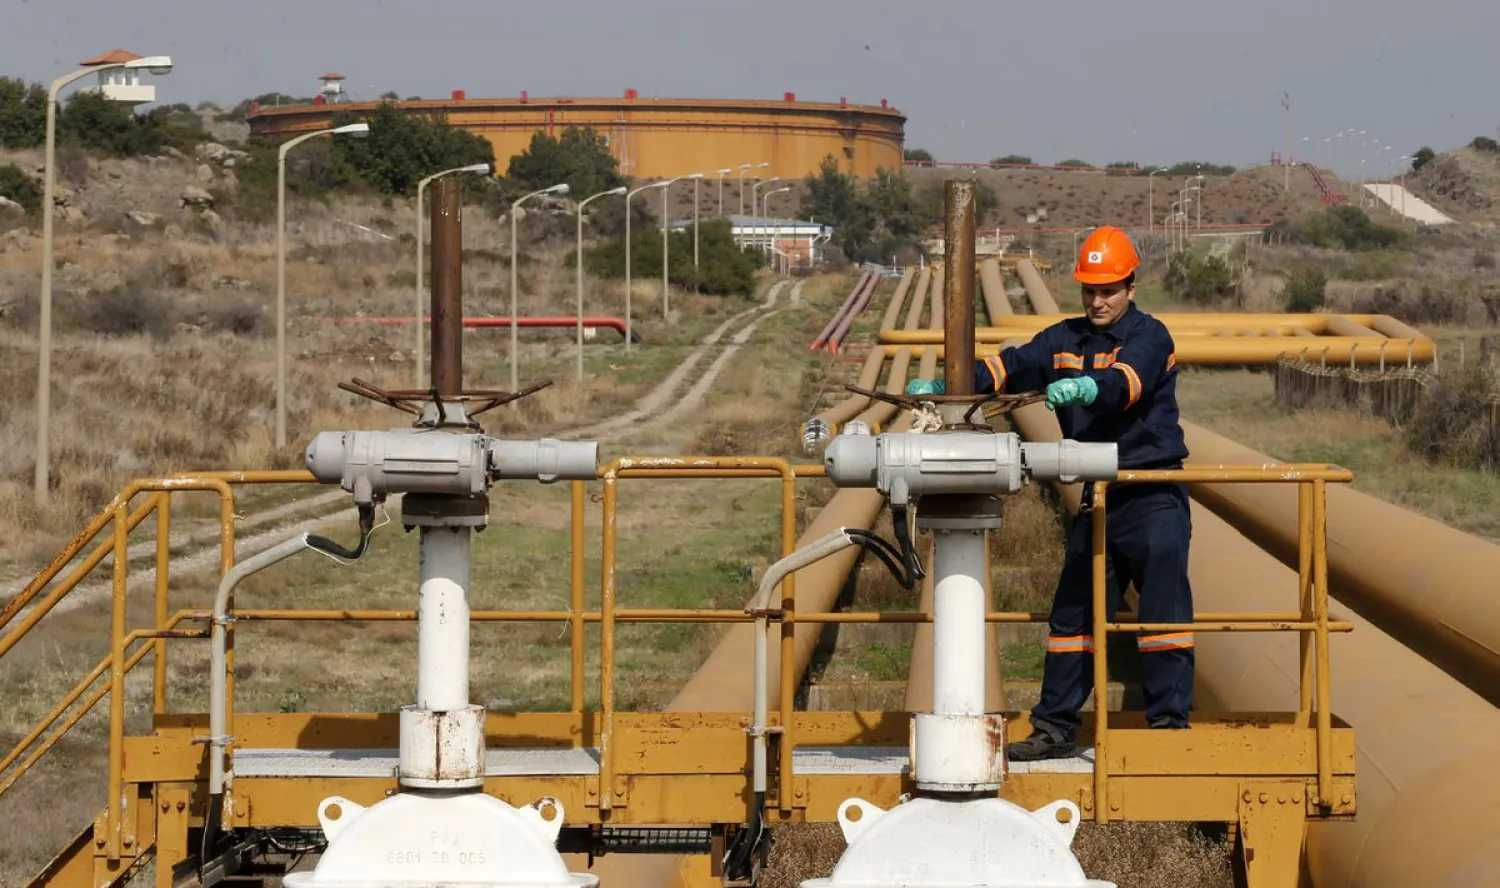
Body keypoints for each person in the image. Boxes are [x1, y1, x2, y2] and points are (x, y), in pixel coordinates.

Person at [906, 226, 1194, 761]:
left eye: (1107, 290)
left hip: (1151, 492)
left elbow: (1125, 385)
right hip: (1098, 497)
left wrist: (1089, 387)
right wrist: (952, 382)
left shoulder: (1150, 337)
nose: (1097, 300)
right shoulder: (1064, 340)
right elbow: (1009, 367)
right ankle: (1056, 727)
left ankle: (1168, 732)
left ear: (1130, 286)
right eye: (1089, 290)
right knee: (1073, 619)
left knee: (1161, 619)